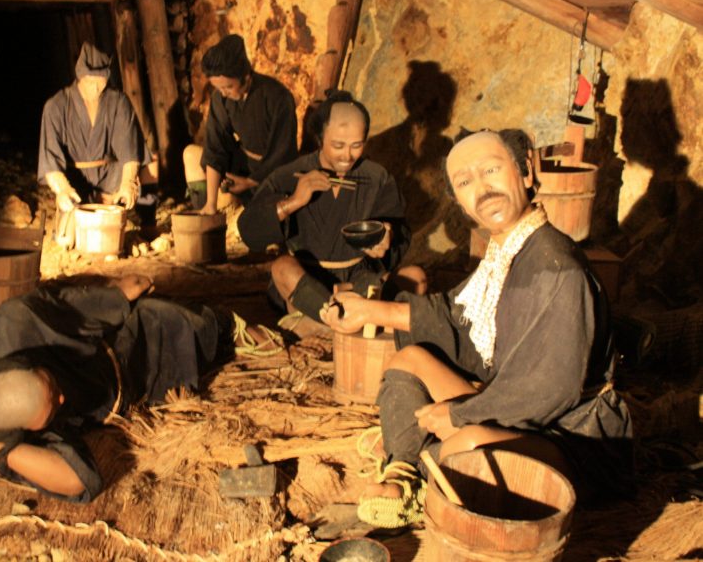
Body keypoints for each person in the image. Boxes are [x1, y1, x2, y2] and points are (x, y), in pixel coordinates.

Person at [321, 129, 634, 528]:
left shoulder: (556, 269)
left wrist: (460, 414)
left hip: (574, 436)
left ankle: (416, 469)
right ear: (463, 205)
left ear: (526, 172)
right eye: (465, 182)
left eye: (491, 170)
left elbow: (547, 391)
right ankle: (404, 466)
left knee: (467, 445)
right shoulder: (505, 252)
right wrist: (369, 311)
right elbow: (455, 316)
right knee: (410, 359)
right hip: (510, 404)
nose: (482, 190)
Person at [0, 275, 281, 502]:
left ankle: (223, 324)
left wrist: (115, 297)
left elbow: (68, 306)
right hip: (133, 391)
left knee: (184, 320)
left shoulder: (15, 322)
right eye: (53, 408)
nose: (62, 398)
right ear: (27, 429)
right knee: (192, 363)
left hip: (118, 341)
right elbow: (76, 480)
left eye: (53, 387)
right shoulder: (6, 435)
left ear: (29, 365)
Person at [237, 90, 425, 331]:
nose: (347, 155)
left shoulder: (376, 176)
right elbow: (249, 231)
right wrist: (293, 201)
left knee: (416, 277)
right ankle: (341, 317)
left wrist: (387, 235)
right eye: (338, 145)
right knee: (281, 268)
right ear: (320, 138)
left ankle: (336, 320)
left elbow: (399, 230)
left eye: (356, 145)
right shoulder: (290, 174)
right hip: (308, 282)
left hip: (360, 277)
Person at [38, 42, 151, 245]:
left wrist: (127, 183)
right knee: (68, 240)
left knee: (151, 166)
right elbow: (50, 159)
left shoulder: (118, 102)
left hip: (109, 176)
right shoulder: (56, 106)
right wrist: (62, 189)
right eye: (90, 82)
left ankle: (146, 220)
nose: (96, 88)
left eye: (101, 82)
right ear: (79, 77)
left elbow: (129, 149)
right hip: (75, 180)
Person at [183, 34, 298, 215]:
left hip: (272, 173)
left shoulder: (278, 97)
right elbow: (216, 146)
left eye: (228, 87)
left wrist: (251, 181)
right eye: (218, 88)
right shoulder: (220, 98)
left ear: (245, 76)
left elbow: (282, 153)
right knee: (191, 154)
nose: (224, 93)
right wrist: (210, 204)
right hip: (243, 167)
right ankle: (208, 211)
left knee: (266, 220)